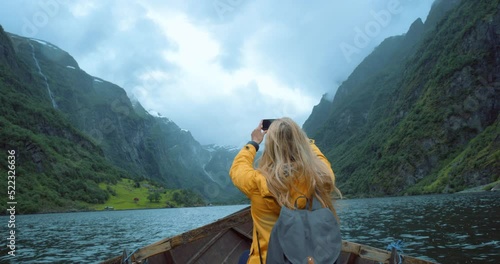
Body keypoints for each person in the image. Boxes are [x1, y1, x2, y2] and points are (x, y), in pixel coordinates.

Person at [230, 117, 340, 264]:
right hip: (310, 260)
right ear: (300, 143)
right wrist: (302, 139)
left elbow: (237, 169)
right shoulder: (322, 177)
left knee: (244, 256)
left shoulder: (257, 182)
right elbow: (320, 159)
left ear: (270, 148)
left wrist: (254, 142)